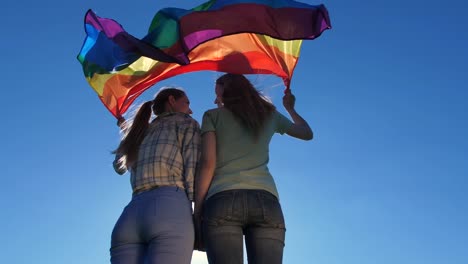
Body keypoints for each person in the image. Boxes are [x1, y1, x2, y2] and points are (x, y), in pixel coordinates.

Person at [194, 74, 313, 264]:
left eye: (217, 93)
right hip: (266, 201)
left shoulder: (212, 116)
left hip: (222, 200)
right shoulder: (269, 114)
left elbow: (208, 163)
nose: (215, 99)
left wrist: (198, 208)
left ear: (225, 92)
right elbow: (306, 133)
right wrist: (291, 109)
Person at [110, 87, 201, 264]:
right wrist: (197, 214)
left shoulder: (140, 130)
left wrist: (126, 131)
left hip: (130, 216)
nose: (190, 110)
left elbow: (118, 168)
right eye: (187, 103)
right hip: (169, 208)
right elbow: (192, 169)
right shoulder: (185, 122)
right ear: (172, 100)